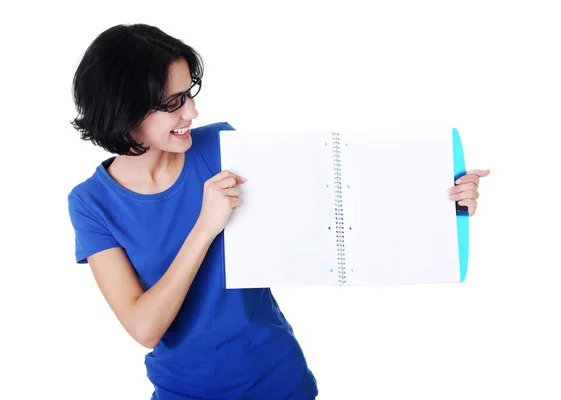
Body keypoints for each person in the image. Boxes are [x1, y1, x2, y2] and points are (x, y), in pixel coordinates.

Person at [67, 23, 489, 400]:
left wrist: (440, 200)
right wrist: (204, 229)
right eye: (174, 101)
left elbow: (337, 210)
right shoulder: (91, 204)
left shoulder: (221, 148)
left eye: (190, 95)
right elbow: (144, 327)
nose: (192, 112)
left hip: (280, 383)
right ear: (124, 110)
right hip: (183, 391)